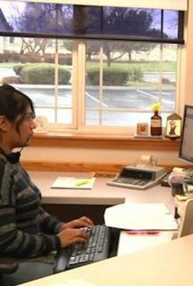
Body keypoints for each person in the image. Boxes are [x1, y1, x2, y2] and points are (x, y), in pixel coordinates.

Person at [0, 84, 94, 285]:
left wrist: (60, 226)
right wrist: (57, 241)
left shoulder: (9, 160)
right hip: (14, 264)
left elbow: (32, 209)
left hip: (30, 254)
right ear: (3, 123)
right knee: (92, 275)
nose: (33, 125)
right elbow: (6, 240)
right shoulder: (1, 169)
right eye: (27, 118)